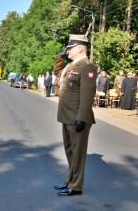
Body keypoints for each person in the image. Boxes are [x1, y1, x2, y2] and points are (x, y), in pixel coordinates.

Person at [55, 34, 97, 196]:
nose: (68, 51)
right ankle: (69, 181)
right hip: (67, 117)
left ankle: (76, 186)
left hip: (77, 118)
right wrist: (60, 58)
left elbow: (87, 96)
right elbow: (58, 73)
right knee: (70, 151)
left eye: (70, 48)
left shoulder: (87, 67)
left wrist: (81, 117)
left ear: (80, 48)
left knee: (77, 154)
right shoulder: (71, 66)